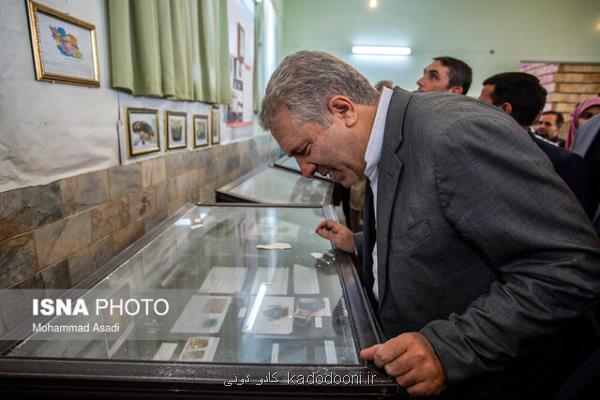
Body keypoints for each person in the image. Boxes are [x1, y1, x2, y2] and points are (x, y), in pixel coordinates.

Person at [258, 51, 600, 398]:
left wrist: (450, 349)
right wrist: (361, 243)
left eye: (304, 149)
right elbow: (430, 228)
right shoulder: (386, 140)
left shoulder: (455, 135)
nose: (305, 169)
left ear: (343, 110)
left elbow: (570, 267)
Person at [479, 72, 595, 218]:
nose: (473, 110)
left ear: (504, 109)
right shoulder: (474, 148)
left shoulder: (563, 163)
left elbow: (576, 223)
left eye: (480, 105)